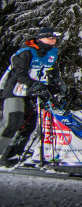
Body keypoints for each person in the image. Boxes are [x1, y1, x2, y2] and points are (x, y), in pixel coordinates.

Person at [0, 27, 66, 166]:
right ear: (40, 38)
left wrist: (58, 84)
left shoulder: (52, 53)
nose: (53, 40)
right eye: (50, 38)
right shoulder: (27, 51)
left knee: (30, 125)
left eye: (54, 38)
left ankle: (13, 153)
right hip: (15, 91)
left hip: (32, 93)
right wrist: (33, 84)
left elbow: (53, 71)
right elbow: (19, 73)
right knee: (13, 121)